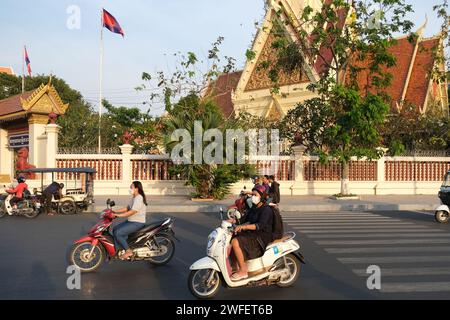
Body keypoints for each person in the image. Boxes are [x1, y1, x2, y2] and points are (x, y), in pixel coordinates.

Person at [229, 184, 274, 281]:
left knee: (235, 242)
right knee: (232, 237)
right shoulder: (254, 207)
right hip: (253, 233)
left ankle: (243, 271)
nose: (253, 197)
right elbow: (244, 219)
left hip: (261, 237)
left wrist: (243, 227)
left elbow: (259, 225)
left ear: (261, 196)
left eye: (255, 195)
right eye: (252, 194)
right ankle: (235, 266)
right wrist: (233, 221)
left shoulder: (266, 209)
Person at [112, 181, 148, 261]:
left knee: (118, 233)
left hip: (137, 223)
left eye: (131, 187)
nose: (130, 189)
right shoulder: (134, 197)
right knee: (115, 229)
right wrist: (114, 212)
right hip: (131, 221)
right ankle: (119, 250)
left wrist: (118, 215)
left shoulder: (139, 198)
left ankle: (128, 251)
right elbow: (127, 208)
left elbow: (132, 211)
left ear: (136, 188)